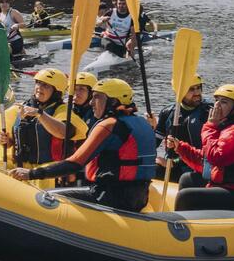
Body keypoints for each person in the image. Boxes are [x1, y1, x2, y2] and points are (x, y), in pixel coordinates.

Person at [11, 77, 156, 211]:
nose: (92, 102)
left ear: (113, 102)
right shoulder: (144, 123)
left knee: (46, 197)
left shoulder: (108, 125)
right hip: (140, 197)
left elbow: (75, 163)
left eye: (97, 97)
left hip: (109, 198)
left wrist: (32, 174)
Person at [167, 84, 234, 211]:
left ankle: (180, 229)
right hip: (228, 185)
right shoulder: (227, 125)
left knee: (185, 197)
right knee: (187, 180)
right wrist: (180, 147)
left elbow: (216, 158)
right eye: (216, 100)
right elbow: (207, 162)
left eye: (223, 102)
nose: (217, 105)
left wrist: (210, 126)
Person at [0, 67, 89, 179]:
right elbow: (16, 143)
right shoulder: (21, 108)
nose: (39, 88)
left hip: (47, 171)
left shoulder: (62, 110)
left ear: (56, 91)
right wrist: (7, 141)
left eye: (45, 86)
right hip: (21, 168)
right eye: (38, 83)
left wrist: (40, 114)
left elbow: (63, 132)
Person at [155, 76, 208, 156]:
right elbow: (153, 144)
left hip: (197, 164)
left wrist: (175, 163)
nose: (197, 93)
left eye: (198, 87)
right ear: (180, 92)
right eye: (191, 89)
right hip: (170, 163)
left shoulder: (209, 112)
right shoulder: (167, 112)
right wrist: (151, 127)